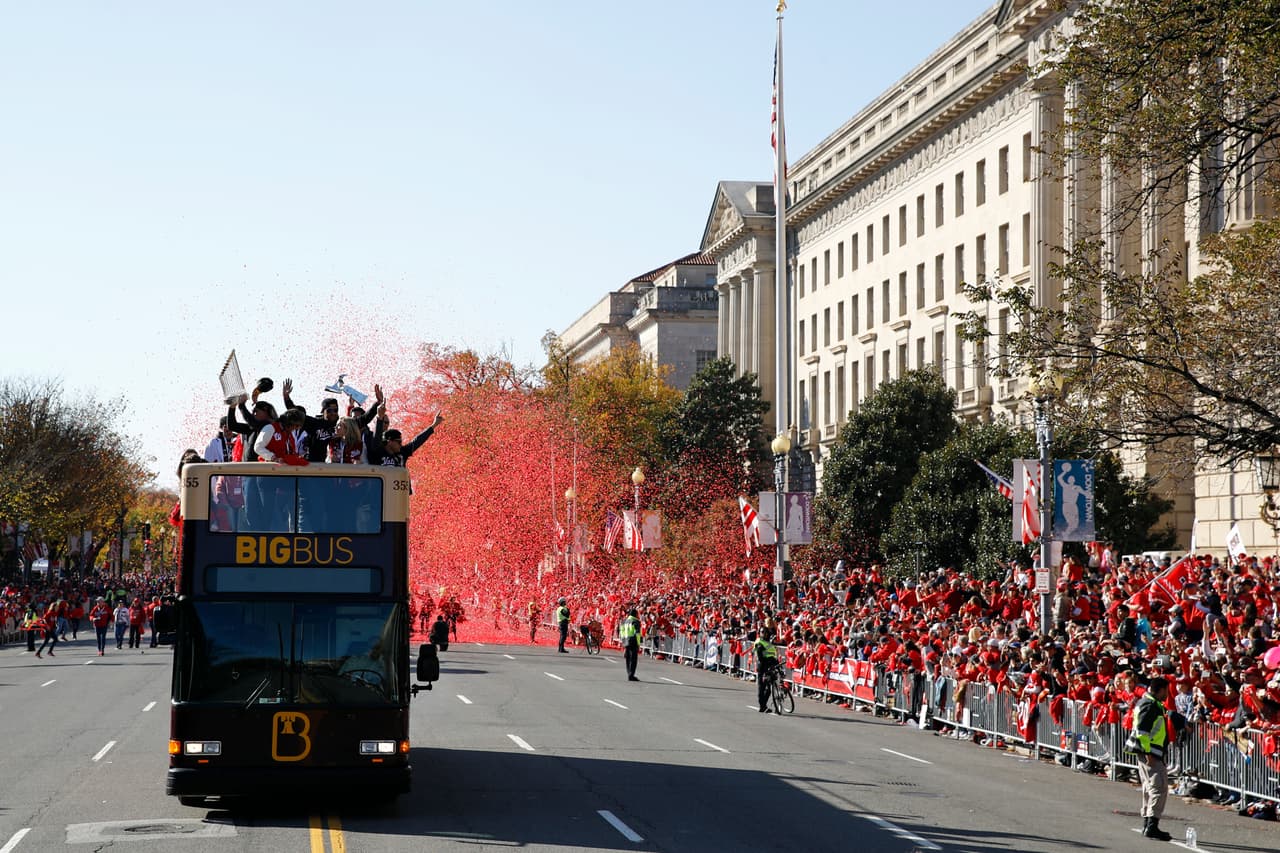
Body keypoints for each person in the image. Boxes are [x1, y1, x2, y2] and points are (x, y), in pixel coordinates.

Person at [1125, 675, 1173, 840]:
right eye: (1167, 690)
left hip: (1149, 751)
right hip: (1150, 752)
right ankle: (1152, 825)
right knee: (1158, 787)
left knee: (1149, 787)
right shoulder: (1150, 705)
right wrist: (1148, 753)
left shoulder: (1147, 702)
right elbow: (1142, 730)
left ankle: (1148, 823)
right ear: (1160, 690)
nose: (1168, 694)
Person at [370, 411, 444, 467]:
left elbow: (417, 441)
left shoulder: (403, 452)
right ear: (390, 441)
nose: (400, 444)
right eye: (398, 442)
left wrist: (434, 425)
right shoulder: (378, 452)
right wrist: (379, 418)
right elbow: (376, 439)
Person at [753, 628, 780, 712]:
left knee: (769, 687)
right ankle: (762, 706)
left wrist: (777, 663)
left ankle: (765, 705)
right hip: (763, 666)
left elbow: (772, 654)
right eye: (762, 632)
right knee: (762, 687)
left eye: (765, 632)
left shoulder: (768, 642)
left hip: (771, 664)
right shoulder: (759, 642)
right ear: (759, 633)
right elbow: (760, 657)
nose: (764, 634)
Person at [620, 609, 641, 680]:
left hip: (625, 640)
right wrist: (638, 643)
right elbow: (637, 633)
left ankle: (629, 672)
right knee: (633, 659)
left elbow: (621, 632)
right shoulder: (636, 621)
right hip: (633, 641)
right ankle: (631, 674)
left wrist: (623, 641)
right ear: (635, 614)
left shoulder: (624, 621)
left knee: (628, 659)